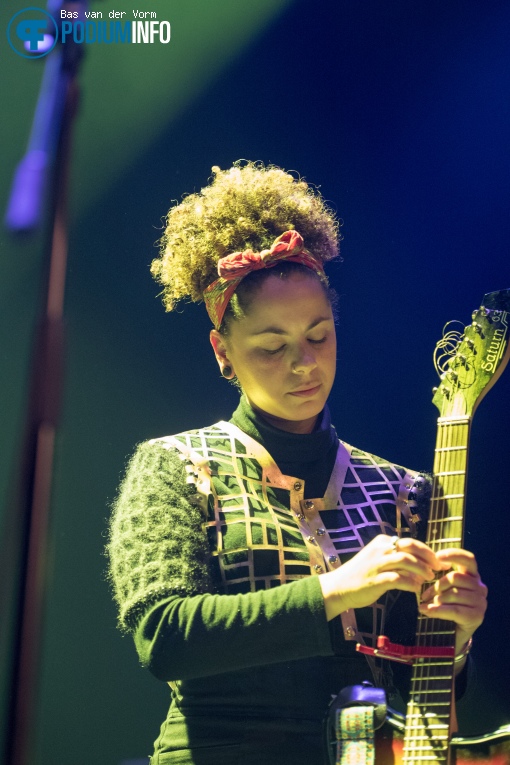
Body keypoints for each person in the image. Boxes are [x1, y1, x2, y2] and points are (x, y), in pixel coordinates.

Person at [107, 162, 487, 765]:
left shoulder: (405, 491)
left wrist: (458, 638)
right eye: (273, 346)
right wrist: (336, 589)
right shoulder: (175, 466)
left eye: (319, 335)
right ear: (222, 350)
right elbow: (166, 637)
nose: (304, 364)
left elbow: (420, 694)